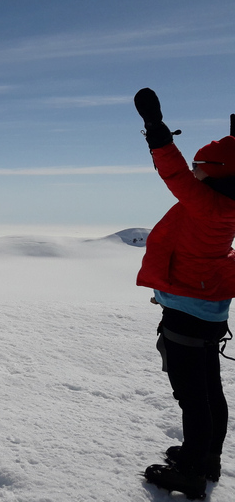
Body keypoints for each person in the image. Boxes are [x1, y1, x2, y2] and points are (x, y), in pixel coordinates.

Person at [134, 88, 235, 499]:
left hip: (188, 309)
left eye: (199, 168)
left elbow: (172, 171)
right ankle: (207, 457)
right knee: (209, 387)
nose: (193, 173)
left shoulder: (205, 203)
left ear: (216, 173)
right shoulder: (226, 203)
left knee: (193, 394)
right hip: (209, 307)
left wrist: (155, 129)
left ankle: (191, 470)